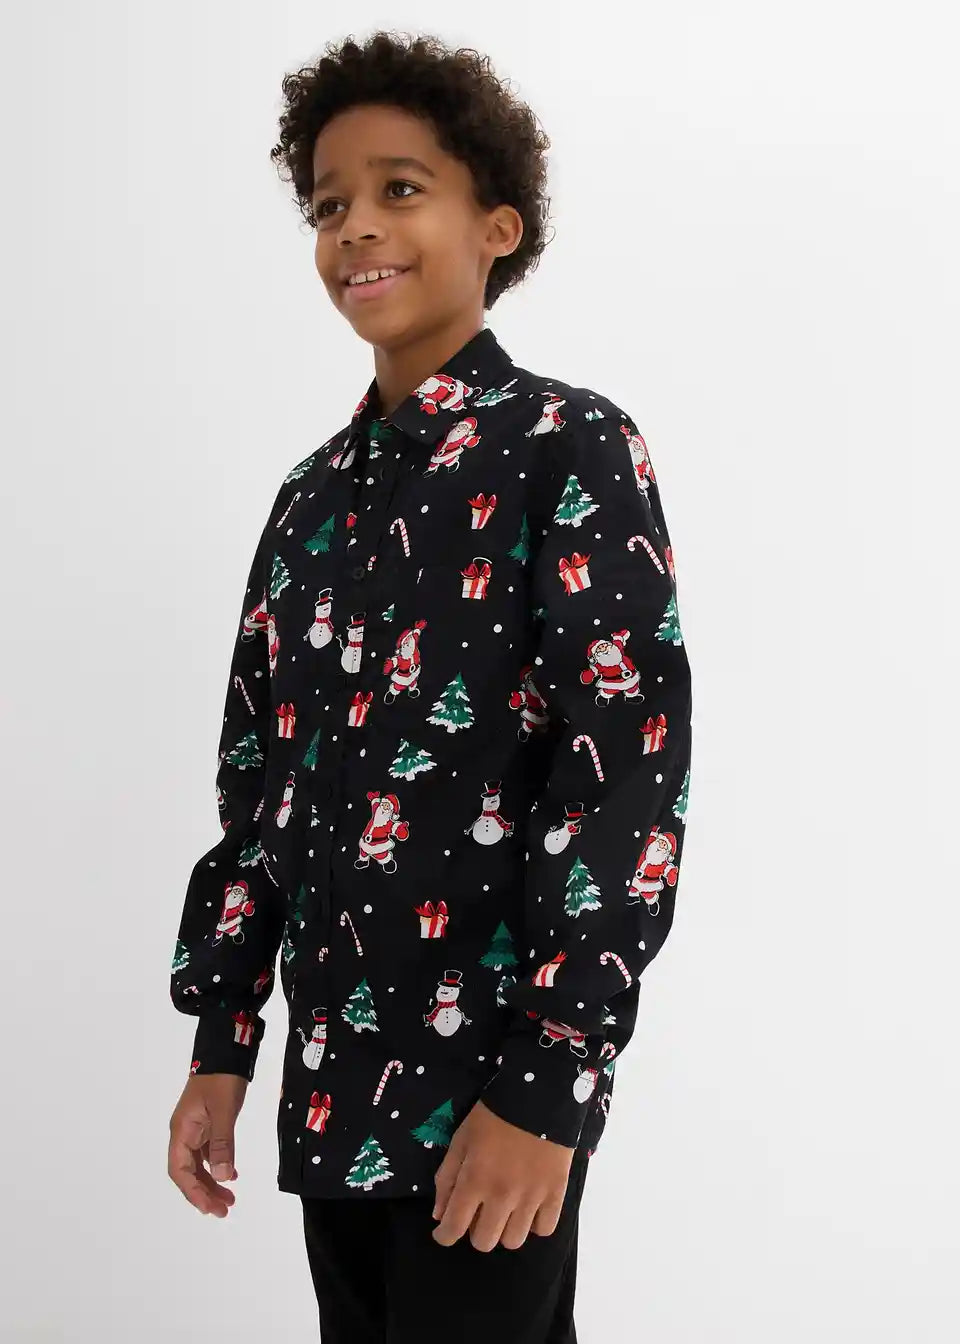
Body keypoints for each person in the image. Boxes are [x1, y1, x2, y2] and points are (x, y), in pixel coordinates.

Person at [166, 28, 694, 1344]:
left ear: (496, 227)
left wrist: (550, 1086)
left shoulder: (567, 447)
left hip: (489, 1103)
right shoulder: (306, 505)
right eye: (327, 204)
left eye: (400, 190)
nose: (355, 227)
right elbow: (259, 794)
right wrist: (224, 1042)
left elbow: (624, 777)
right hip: (329, 1097)